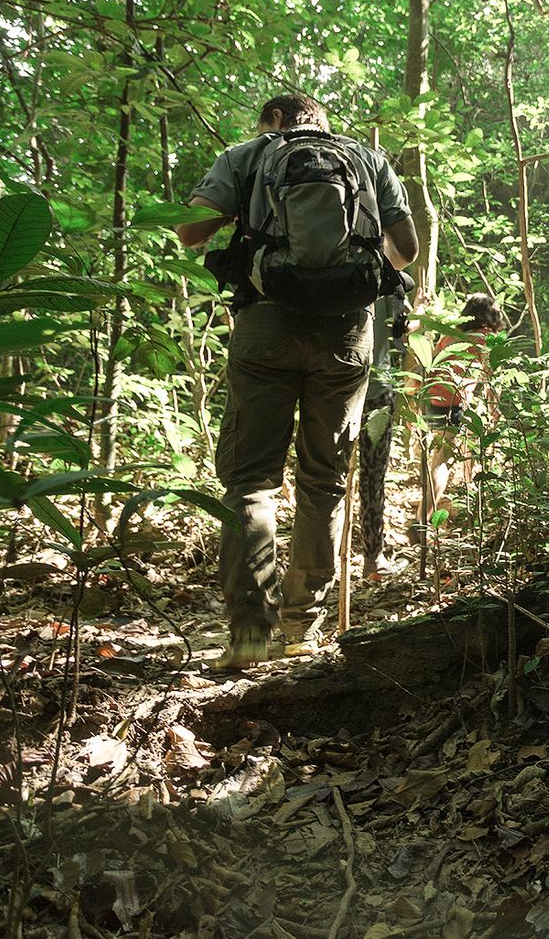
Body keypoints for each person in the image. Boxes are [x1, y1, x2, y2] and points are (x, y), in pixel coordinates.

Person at [174, 93, 417, 668]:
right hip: (347, 332)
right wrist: (345, 267)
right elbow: (405, 252)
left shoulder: (247, 156)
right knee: (323, 480)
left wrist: (246, 221)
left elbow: (189, 231)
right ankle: (301, 627)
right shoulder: (367, 159)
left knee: (250, 481)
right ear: (322, 123)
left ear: (277, 119)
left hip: (266, 325)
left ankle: (249, 635)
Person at [412, 292, 506, 539]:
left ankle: (426, 515)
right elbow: (491, 378)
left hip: (432, 399)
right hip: (453, 402)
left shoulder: (452, 335)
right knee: (442, 462)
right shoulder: (485, 339)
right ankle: (421, 521)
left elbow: (431, 362)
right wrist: (495, 408)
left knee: (439, 457)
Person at [357, 292, 408, 580]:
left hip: (332, 382)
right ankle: (372, 558)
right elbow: (400, 334)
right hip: (376, 389)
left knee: (325, 477)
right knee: (372, 476)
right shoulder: (387, 276)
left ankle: (320, 566)